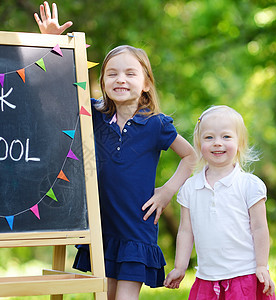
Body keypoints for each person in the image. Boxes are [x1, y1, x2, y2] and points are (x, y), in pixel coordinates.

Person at [35, 2, 197, 299]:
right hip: (103, 228)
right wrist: (53, 43)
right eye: (112, 74)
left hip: (136, 229)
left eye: (130, 74)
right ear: (103, 81)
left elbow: (191, 156)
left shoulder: (156, 125)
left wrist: (167, 191)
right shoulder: (93, 116)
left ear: (146, 83)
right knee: (106, 296)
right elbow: (54, 93)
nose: (120, 79)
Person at [164, 105, 275, 299]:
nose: (217, 143)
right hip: (207, 276)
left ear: (239, 143)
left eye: (226, 137)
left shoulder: (249, 185)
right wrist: (180, 266)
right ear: (199, 144)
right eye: (209, 137)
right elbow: (185, 230)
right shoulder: (190, 188)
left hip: (244, 275)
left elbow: (259, 228)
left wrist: (261, 266)